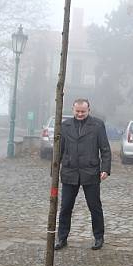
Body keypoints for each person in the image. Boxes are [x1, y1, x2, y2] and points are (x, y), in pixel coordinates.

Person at [54, 98, 111, 251]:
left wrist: (105, 168)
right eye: (77, 111)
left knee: (95, 207)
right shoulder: (65, 126)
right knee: (65, 207)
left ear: (88, 110)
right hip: (69, 172)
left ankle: (99, 237)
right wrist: (54, 170)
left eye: (83, 111)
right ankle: (62, 238)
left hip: (90, 172)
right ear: (73, 110)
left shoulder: (98, 125)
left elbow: (105, 149)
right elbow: (59, 150)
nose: (80, 114)